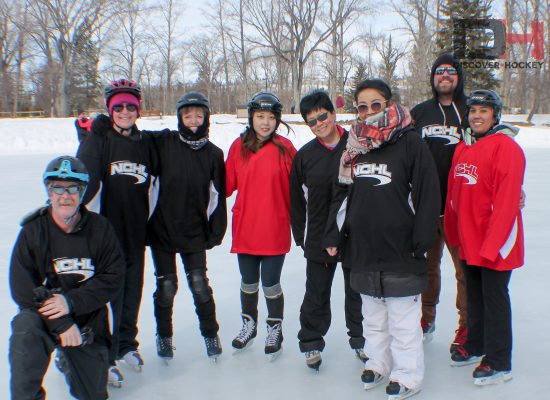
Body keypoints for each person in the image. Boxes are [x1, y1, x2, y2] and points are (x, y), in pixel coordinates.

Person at [323, 79, 440, 399]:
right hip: (363, 246)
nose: (370, 111)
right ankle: (378, 362)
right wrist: (335, 233)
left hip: (401, 247)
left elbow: (428, 193)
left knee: (403, 321)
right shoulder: (354, 147)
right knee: (371, 316)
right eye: (363, 106)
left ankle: (408, 374)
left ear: (389, 105)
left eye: (376, 104)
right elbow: (342, 195)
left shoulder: (410, 142)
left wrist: (422, 238)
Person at [8, 156, 125, 400]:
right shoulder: (34, 230)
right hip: (45, 315)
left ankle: (70, 359)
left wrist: (71, 302)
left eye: (72, 188)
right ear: (48, 192)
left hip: (87, 316)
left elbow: (113, 277)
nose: (65, 195)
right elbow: (22, 287)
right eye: (57, 188)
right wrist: (61, 322)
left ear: (82, 191)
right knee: (25, 329)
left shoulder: (100, 228)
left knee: (93, 394)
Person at [76, 78, 157, 386]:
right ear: (110, 110)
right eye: (118, 107)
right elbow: (83, 180)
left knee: (131, 292)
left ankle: (125, 344)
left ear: (138, 110)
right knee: (102, 294)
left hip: (136, 231)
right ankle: (102, 354)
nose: (125, 112)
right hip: (104, 234)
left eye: (130, 107)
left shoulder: (144, 142)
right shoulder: (100, 139)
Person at [445, 90, 525, 386]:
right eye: (473, 110)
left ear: (495, 115)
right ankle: (476, 344)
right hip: (470, 240)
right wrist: (454, 230)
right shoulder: (463, 147)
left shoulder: (506, 147)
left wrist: (493, 245)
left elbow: (506, 203)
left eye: (484, 110)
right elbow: (454, 194)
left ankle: (499, 360)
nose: (477, 115)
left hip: (497, 244)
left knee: (494, 300)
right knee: (474, 297)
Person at [145, 92, 226, 361]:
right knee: (166, 286)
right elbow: (130, 138)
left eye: (199, 115)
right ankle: (164, 336)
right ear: (180, 117)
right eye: (187, 114)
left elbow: (217, 195)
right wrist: (97, 131)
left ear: (206, 118)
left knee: (199, 284)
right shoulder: (163, 142)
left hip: (193, 231)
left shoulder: (214, 154)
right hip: (163, 230)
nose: (193, 120)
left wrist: (216, 230)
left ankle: (210, 334)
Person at [290, 90, 365, 371]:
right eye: (312, 121)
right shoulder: (305, 157)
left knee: (356, 292)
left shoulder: (357, 146)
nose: (319, 123)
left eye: (323, 116)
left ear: (333, 113)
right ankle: (311, 341)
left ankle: (361, 340)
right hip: (319, 236)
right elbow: (297, 202)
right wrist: (302, 237)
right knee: (316, 293)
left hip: (354, 235)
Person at [225, 91, 296, 359]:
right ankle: (249, 325)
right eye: (259, 117)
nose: (265, 122)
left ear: (277, 119)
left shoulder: (286, 148)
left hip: (275, 227)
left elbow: (302, 187)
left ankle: (274, 328)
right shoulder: (238, 146)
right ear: (251, 118)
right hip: (246, 227)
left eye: (270, 117)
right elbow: (225, 184)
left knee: (270, 283)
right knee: (248, 281)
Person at [410, 53, 469, 348]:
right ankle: (426, 317)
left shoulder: (471, 110)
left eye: (451, 71)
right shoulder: (420, 112)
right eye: (439, 71)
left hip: (462, 207)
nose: (445, 75)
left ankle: (467, 326)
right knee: (427, 267)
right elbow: (402, 151)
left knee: (464, 270)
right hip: (427, 206)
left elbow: (495, 152)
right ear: (433, 78)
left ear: (458, 77)